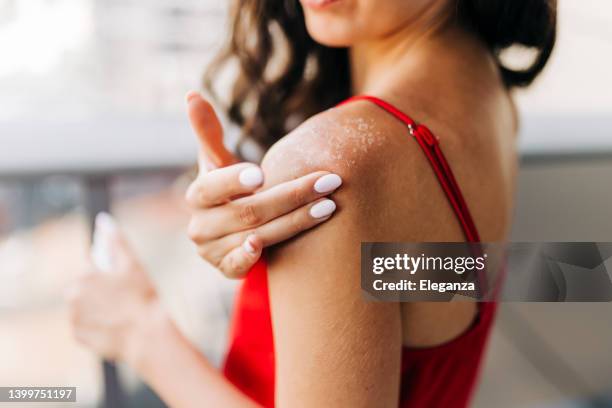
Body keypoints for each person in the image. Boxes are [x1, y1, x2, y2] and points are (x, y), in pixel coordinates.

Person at [68, 0, 556, 406]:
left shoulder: (334, 169)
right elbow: (442, 288)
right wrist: (274, 244)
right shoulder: (483, 91)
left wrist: (142, 334)